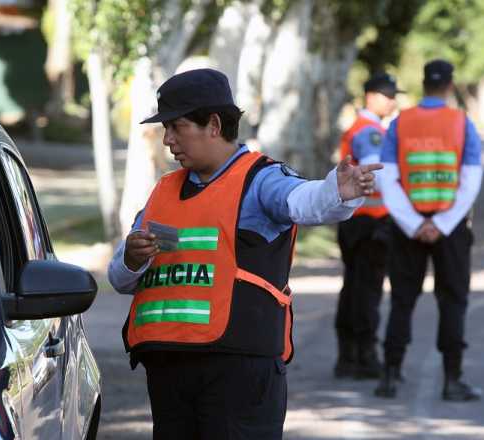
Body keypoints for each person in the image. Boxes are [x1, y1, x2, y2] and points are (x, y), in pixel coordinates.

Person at [108, 68, 381, 439]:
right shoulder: (163, 191)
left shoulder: (261, 179)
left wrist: (337, 192)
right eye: (165, 129)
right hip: (169, 368)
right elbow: (120, 278)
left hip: (239, 370)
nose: (168, 139)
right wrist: (132, 259)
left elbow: (301, 201)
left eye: (176, 126)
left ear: (214, 125)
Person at [373, 59, 483, 402]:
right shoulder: (462, 123)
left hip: (409, 228)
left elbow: (388, 178)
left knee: (403, 300)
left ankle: (389, 376)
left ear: (423, 84)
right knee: (452, 301)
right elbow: (471, 180)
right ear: (449, 86)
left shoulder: (400, 123)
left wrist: (413, 222)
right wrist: (443, 224)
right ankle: (452, 380)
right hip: (449, 229)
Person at [333, 72, 401, 379]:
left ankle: (348, 356)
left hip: (355, 222)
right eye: (389, 95)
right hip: (370, 224)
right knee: (367, 291)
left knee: (353, 288)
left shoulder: (360, 128)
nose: (393, 101)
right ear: (372, 96)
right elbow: (379, 174)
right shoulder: (370, 132)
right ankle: (364, 355)